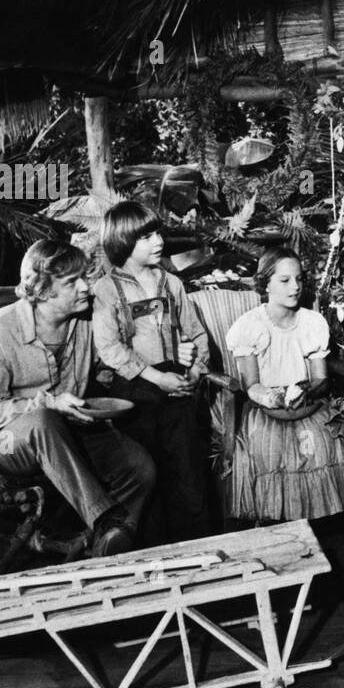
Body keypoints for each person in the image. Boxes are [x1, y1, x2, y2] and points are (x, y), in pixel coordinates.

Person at [0, 240, 156, 557]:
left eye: (85, 276)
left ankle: (100, 545)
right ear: (41, 291)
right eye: (72, 282)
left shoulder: (86, 323)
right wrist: (47, 403)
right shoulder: (1, 330)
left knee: (140, 468)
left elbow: (128, 331)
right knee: (43, 420)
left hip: (69, 431)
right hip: (10, 446)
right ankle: (106, 522)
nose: (86, 287)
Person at [225, 247, 344, 523]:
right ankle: (275, 524)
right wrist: (273, 397)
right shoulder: (250, 326)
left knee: (329, 443)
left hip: (308, 407)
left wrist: (306, 391)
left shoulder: (312, 323)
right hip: (267, 411)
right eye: (285, 280)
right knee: (271, 452)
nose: (295, 287)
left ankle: (319, 521)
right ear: (265, 284)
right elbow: (251, 385)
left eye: (299, 279)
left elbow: (321, 381)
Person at [92, 201, 211, 543]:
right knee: (148, 474)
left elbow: (198, 333)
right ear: (123, 241)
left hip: (178, 388)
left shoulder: (172, 284)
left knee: (189, 473)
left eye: (157, 232)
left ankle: (199, 554)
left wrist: (195, 373)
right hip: (134, 393)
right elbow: (110, 348)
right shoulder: (106, 291)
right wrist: (157, 378)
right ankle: (151, 556)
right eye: (146, 236)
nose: (158, 240)